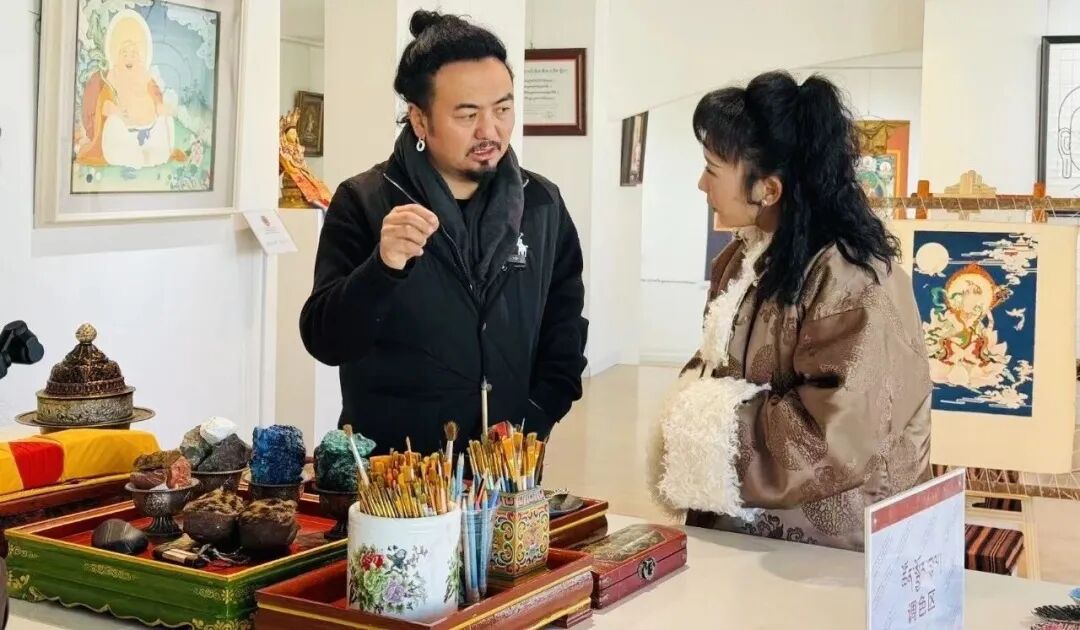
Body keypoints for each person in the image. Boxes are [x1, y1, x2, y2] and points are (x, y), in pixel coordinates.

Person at [650, 71, 931, 551]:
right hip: (748, 522)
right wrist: (692, 414)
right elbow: (718, 369)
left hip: (832, 550)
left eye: (712, 169)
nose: (701, 184)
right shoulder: (745, 257)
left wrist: (700, 424)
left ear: (769, 189)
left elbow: (836, 434)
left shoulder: (853, 280)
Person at [299, 11, 588, 456]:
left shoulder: (541, 203)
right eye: (467, 115)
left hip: (507, 463)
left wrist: (539, 412)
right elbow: (325, 339)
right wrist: (382, 268)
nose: (490, 130)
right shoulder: (366, 201)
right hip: (396, 469)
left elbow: (564, 324)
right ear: (419, 120)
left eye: (503, 109)